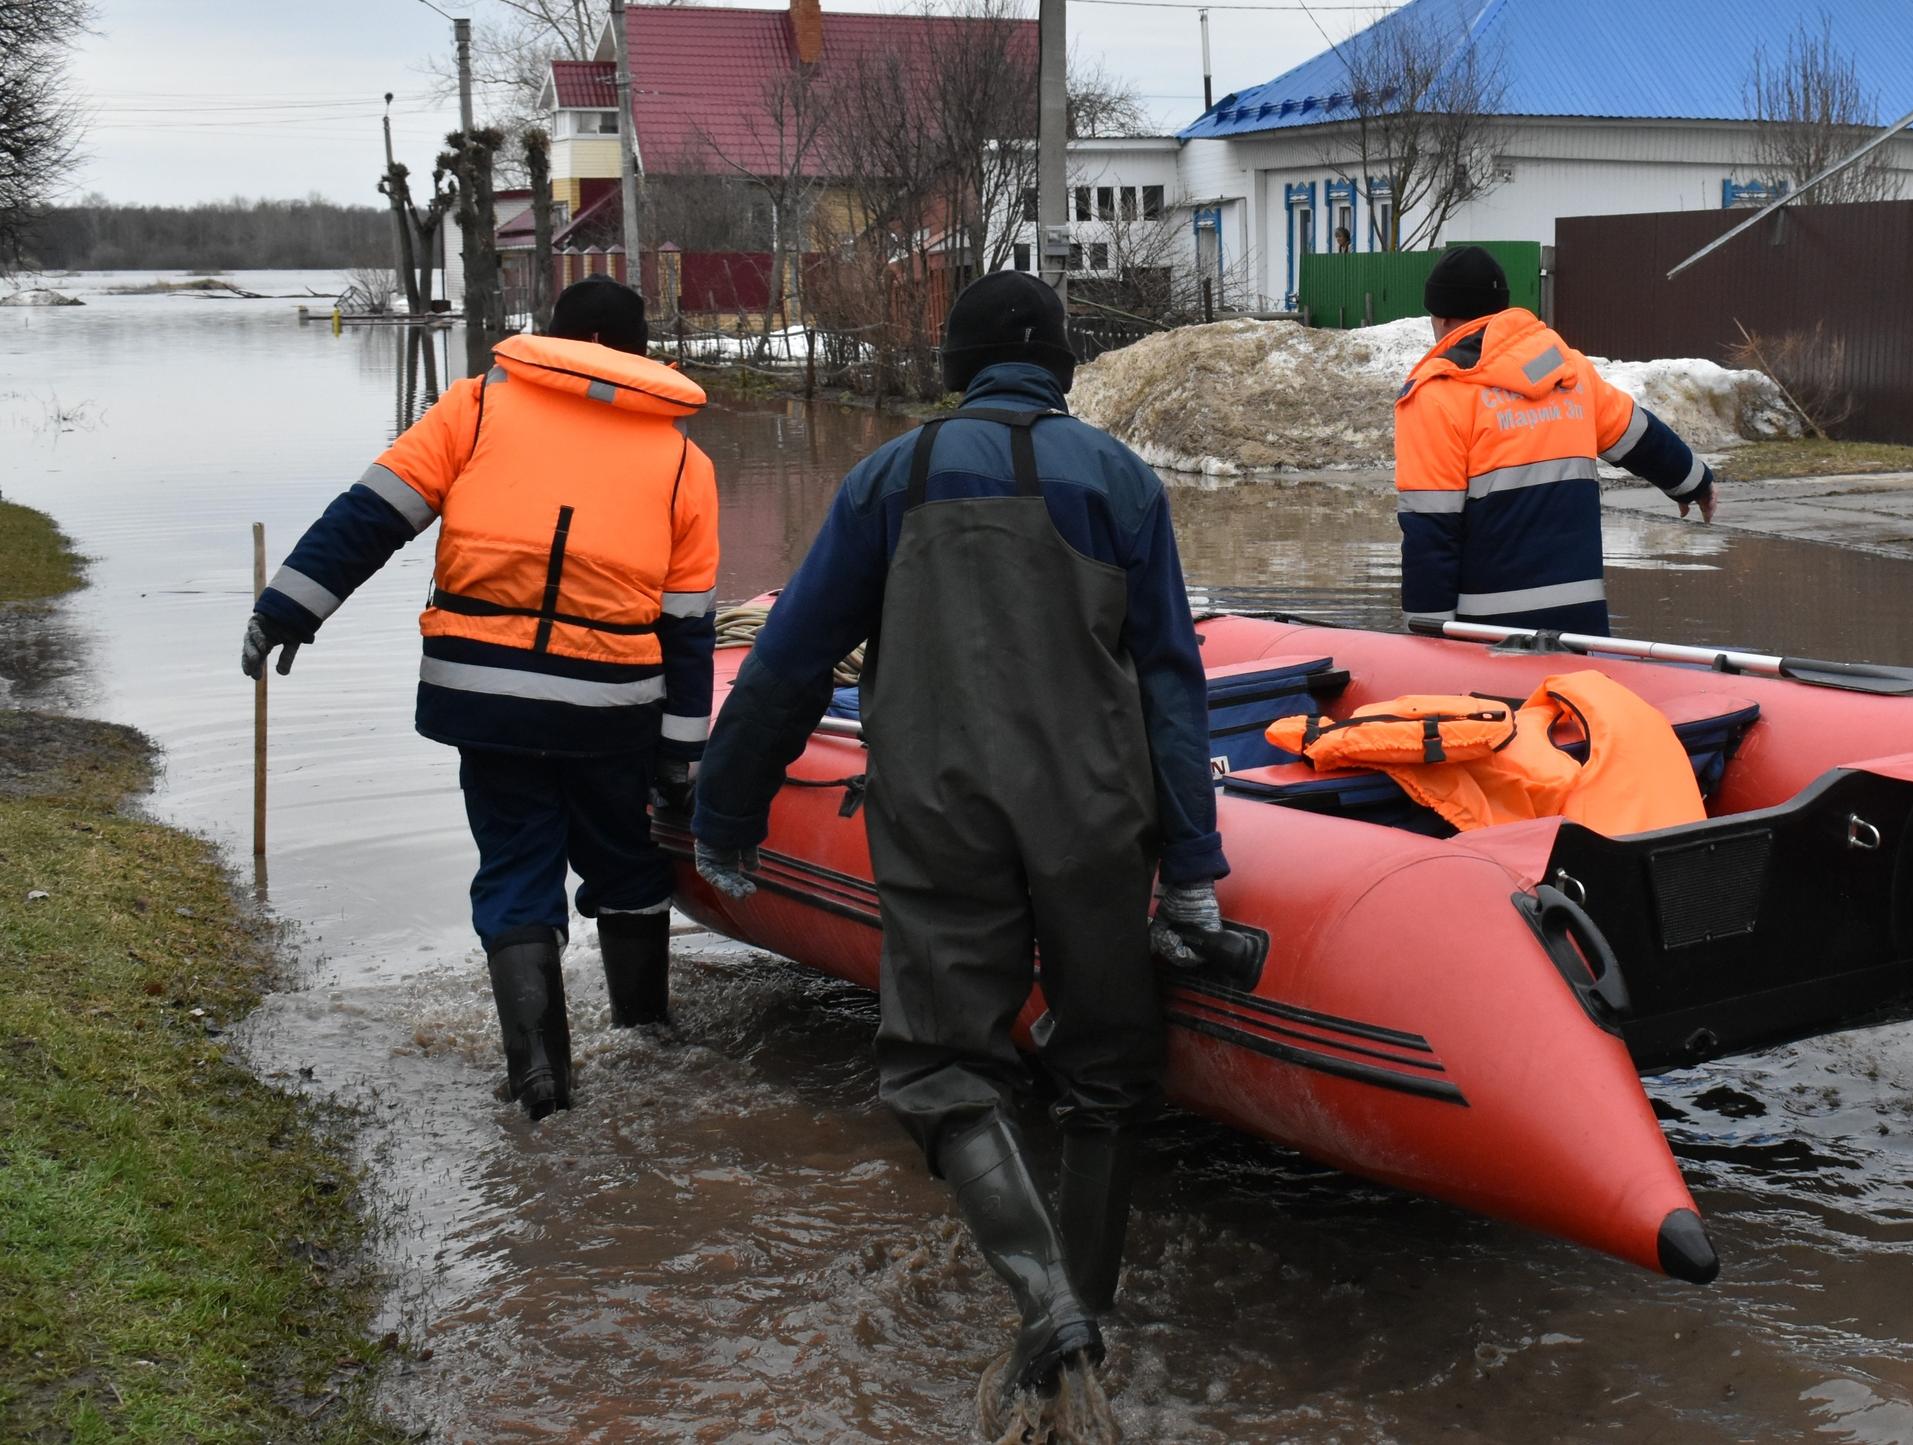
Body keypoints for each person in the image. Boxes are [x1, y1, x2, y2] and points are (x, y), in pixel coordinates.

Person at [688, 272, 1229, 1407]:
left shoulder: (890, 477)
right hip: (1094, 812)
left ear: (955, 365)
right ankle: (1088, 1325)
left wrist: (729, 810)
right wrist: (1191, 869)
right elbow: (1172, 684)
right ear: (1064, 363)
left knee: (939, 1066)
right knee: (1106, 1075)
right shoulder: (1123, 480)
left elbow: (791, 656)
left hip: (937, 807)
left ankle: (1044, 1303)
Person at [241, 276, 719, 1122]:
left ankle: (540, 1077)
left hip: (486, 696)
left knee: (515, 866)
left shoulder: (478, 405)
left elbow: (373, 515)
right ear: (642, 352)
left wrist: (288, 607)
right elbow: (687, 626)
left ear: (550, 335)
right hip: (612, 709)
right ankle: (646, 1042)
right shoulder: (682, 458)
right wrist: (681, 754)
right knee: (628, 866)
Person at [1394, 244, 1714, 637]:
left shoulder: (1438, 394)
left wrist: (1423, 635)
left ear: (1441, 319)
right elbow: (1636, 433)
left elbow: (1431, 530)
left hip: (1490, 634)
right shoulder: (1567, 372)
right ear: (1499, 310)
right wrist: (1693, 482)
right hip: (1581, 621)